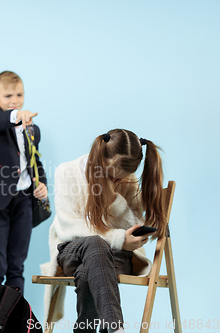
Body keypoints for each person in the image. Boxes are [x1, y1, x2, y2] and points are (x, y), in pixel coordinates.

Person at [41, 129, 167, 333]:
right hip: (72, 251)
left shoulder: (129, 180)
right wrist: (117, 239)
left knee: (88, 270)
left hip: (114, 257)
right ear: (99, 159)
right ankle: (115, 328)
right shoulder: (67, 172)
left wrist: (114, 200)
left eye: (120, 179)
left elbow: (134, 223)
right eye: (110, 176)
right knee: (94, 244)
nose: (115, 181)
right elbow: (70, 226)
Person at [0, 71, 47, 294]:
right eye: (8, 96)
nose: (14, 100)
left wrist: (42, 183)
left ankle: (13, 318)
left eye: (19, 95)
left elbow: (34, 160)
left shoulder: (32, 129)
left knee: (16, 267)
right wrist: (16, 114)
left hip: (24, 202)